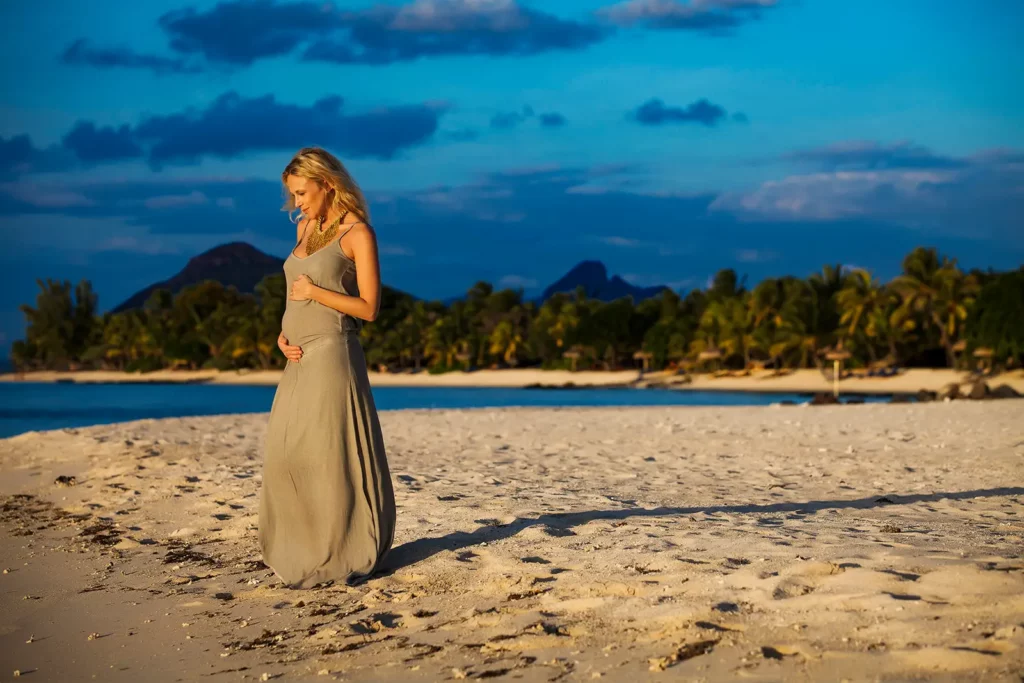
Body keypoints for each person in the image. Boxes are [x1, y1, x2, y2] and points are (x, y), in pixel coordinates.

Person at [258, 146, 396, 588]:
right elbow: (291, 291)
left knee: (329, 457)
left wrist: (315, 294)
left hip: (333, 354)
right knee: (286, 455)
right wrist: (283, 334)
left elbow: (369, 308)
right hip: (296, 357)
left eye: (301, 192)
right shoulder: (306, 226)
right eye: (293, 195)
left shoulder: (358, 233)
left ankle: (344, 549)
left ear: (327, 183)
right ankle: (303, 544)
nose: (296, 202)